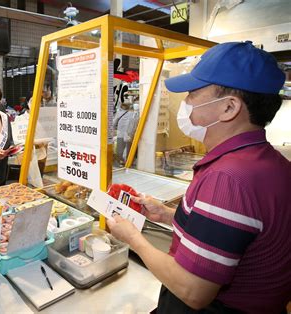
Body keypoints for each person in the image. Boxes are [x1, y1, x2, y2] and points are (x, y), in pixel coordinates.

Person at [107, 41, 290, 313]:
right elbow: (236, 234)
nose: (186, 102)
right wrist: (170, 215)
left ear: (229, 108)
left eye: (193, 92)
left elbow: (193, 290)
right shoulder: (274, 163)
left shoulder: (227, 178)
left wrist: (132, 237)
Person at [114, 100, 140, 164]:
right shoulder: (133, 114)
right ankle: (128, 161)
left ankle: (121, 161)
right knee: (128, 147)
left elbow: (114, 123)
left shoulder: (119, 113)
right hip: (130, 134)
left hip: (120, 134)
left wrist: (116, 128)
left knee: (120, 148)